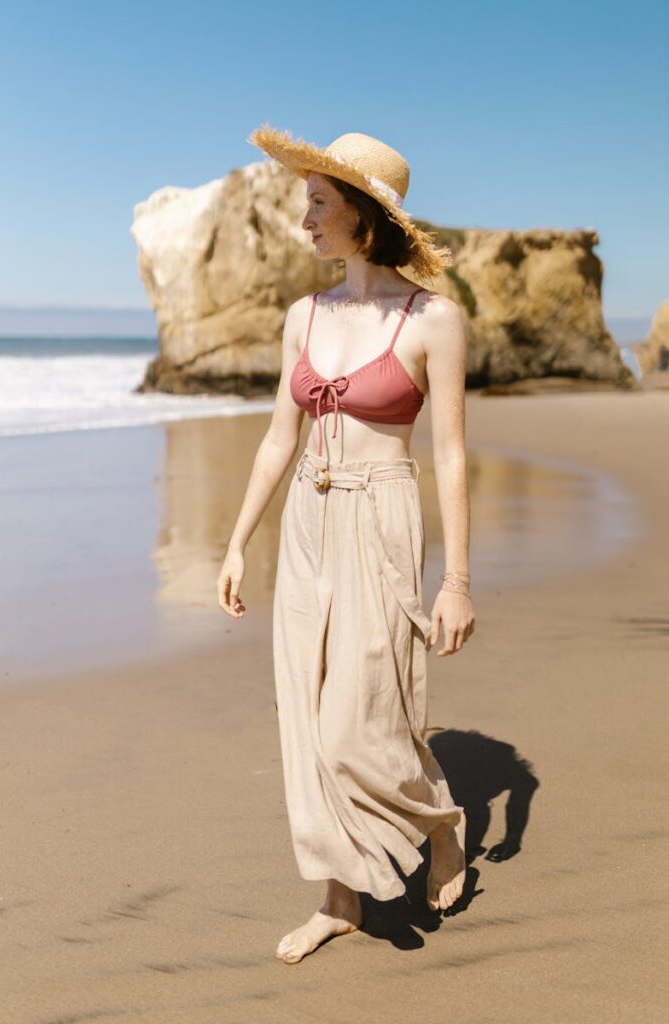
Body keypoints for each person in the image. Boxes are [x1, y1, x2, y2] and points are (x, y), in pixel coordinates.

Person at [217, 124, 476, 965]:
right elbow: (274, 440)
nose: (306, 220)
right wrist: (234, 542)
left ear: (364, 214)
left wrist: (458, 581)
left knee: (359, 724)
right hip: (305, 522)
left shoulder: (433, 319)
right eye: (306, 203)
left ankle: (439, 821)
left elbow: (448, 453)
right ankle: (339, 900)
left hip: (380, 517)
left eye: (320, 203)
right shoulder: (305, 314)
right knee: (305, 717)